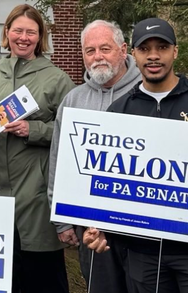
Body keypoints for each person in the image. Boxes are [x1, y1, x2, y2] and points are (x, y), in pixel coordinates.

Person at [80, 18, 188, 293]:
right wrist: (98, 227)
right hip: (142, 254)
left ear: (176, 51)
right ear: (133, 54)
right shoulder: (120, 112)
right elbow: (106, 185)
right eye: (145, 49)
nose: (154, 55)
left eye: (162, 47)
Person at [0, 4, 74, 293]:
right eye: (18, 30)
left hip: (35, 193)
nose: (23, 37)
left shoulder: (57, 79)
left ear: (40, 37)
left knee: (42, 277)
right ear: (7, 32)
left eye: (31, 32)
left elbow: (73, 134)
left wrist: (32, 129)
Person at [46, 19, 140, 293]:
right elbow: (58, 161)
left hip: (139, 226)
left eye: (105, 49)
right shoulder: (73, 100)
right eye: (90, 51)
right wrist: (61, 219)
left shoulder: (146, 93)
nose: (97, 57)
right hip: (89, 226)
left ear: (123, 50)